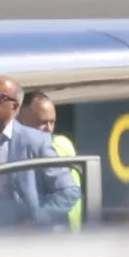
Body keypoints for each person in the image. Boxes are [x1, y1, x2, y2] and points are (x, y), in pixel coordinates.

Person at [0, 76, 80, 229]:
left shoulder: (36, 142)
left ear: (14, 108)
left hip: (20, 244)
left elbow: (69, 191)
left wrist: (38, 219)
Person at [19, 91, 82, 231]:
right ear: (22, 120)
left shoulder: (64, 144)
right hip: (43, 237)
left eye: (52, 122)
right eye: (42, 122)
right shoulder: (19, 152)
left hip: (70, 233)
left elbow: (72, 191)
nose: (49, 128)